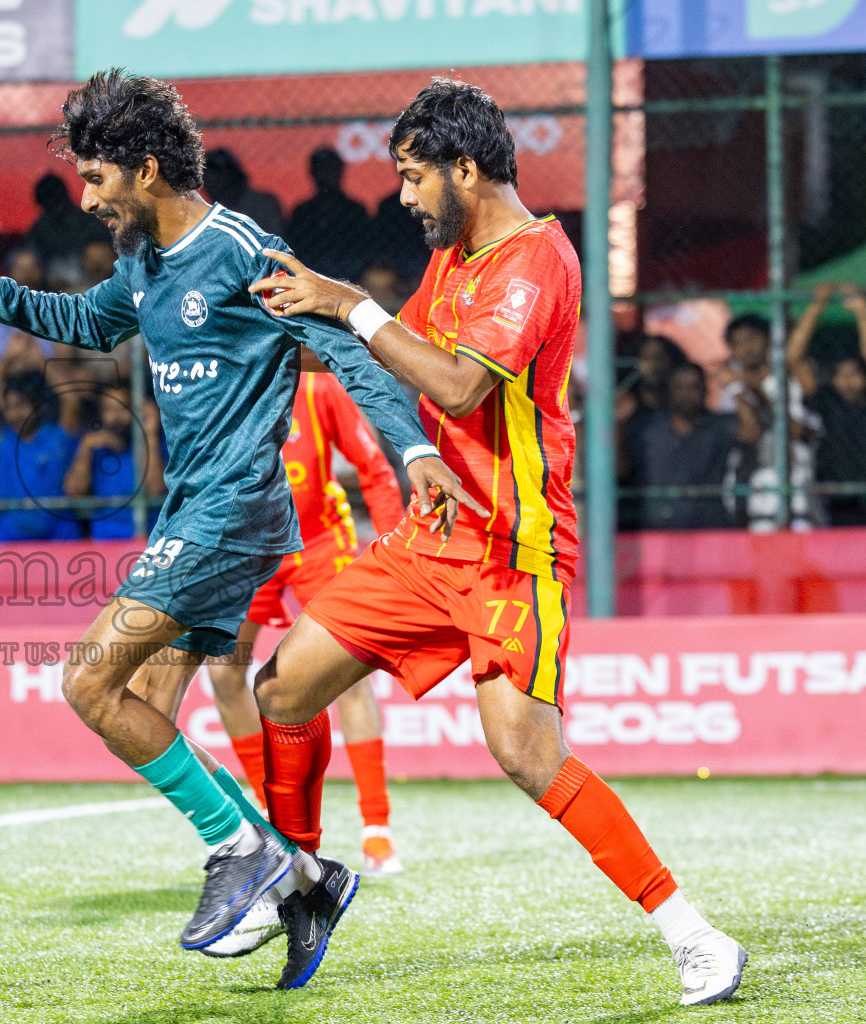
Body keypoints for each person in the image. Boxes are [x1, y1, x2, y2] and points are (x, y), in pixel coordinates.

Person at [0, 69, 475, 984]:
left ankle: (245, 854)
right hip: (197, 512)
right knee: (148, 711)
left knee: (88, 682)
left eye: (97, 179)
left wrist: (412, 451)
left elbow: (349, 354)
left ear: (147, 170)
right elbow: (83, 321)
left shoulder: (244, 251)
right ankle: (303, 878)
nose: (88, 200)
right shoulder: (144, 266)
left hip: (231, 511)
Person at [242, 77, 746, 1005]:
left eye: (412, 176)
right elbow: (399, 359)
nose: (403, 196)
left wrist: (349, 304)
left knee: (527, 755)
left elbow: (460, 384)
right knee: (282, 688)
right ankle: (303, 885)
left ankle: (694, 934)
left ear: (464, 169)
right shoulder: (456, 257)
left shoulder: (534, 260)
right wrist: (264, 337)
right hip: (428, 541)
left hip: (514, 548)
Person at [206, 372, 408, 946]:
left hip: (320, 542)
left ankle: (376, 828)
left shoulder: (317, 388)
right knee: (224, 669)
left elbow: (373, 467)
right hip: (250, 547)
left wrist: (396, 549)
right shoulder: (223, 381)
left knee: (349, 677)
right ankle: (270, 825)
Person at [717, 312, 820, 530]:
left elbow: (798, 431)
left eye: (752, 339)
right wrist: (739, 391)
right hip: (751, 489)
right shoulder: (728, 389)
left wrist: (757, 393)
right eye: (738, 343)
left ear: (769, 341)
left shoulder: (790, 381)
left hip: (797, 487)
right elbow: (748, 433)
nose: (746, 348)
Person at [624, 363, 755, 530]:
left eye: (694, 387)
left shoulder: (719, 426)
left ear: (705, 390)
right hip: (657, 532)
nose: (687, 394)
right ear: (669, 391)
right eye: (680, 387)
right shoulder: (647, 429)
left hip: (711, 530)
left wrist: (735, 388)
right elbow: (621, 468)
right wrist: (619, 423)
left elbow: (752, 432)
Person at [786, 283, 866, 525]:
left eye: (854, 374)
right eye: (840, 375)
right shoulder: (827, 400)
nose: (847, 381)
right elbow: (793, 358)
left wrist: (862, 313)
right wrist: (816, 306)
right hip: (836, 499)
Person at [0, 370, 83, 542]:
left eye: (21, 405)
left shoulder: (58, 437)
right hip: (9, 535)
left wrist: (42, 364)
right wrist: (4, 365)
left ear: (37, 405)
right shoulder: (4, 441)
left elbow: (72, 400)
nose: (15, 414)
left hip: (59, 534)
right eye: (8, 408)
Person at [64, 382, 166, 540]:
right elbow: (73, 492)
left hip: (146, 541)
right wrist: (85, 448)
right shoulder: (95, 449)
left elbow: (156, 490)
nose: (115, 417)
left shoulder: (152, 446)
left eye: (121, 409)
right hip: (104, 543)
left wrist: (150, 432)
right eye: (108, 410)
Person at [615, 335, 693, 529]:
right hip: (634, 515)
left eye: (659, 357)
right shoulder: (624, 411)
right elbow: (619, 469)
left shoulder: (687, 410)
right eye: (646, 358)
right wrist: (619, 423)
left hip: (684, 516)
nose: (653, 365)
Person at [285, 147, 371, 283]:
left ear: (340, 171)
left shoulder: (355, 211)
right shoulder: (302, 212)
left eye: (330, 169)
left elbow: (364, 252)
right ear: (312, 173)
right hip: (310, 279)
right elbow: (295, 252)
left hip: (350, 279)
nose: (326, 175)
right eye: (321, 169)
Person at [27, 172, 111, 281]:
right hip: (53, 280)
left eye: (56, 202)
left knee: (97, 253)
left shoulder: (85, 219)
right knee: (26, 263)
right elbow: (32, 254)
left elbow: (109, 248)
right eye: (49, 204)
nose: (55, 209)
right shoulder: (40, 228)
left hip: (90, 280)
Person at [204, 148, 284, 235]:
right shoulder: (209, 213)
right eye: (208, 179)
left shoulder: (262, 204)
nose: (213, 183)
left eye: (217, 177)